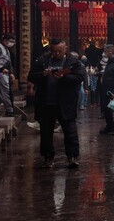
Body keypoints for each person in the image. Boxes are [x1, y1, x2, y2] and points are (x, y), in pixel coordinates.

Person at [27, 39, 85, 169]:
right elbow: (31, 76)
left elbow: (79, 78)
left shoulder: (73, 62)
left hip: (66, 102)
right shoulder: (42, 61)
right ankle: (48, 157)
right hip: (46, 102)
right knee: (46, 132)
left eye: (59, 51)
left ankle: (72, 157)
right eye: (54, 51)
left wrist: (64, 77)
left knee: (70, 131)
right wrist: (43, 74)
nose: (56, 53)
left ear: (65, 49)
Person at [0, 33, 17, 117]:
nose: (12, 43)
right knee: (5, 90)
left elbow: (8, 62)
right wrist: (1, 69)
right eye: (11, 41)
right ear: (5, 40)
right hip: (0, 71)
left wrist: (11, 73)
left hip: (6, 71)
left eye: (13, 41)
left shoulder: (6, 48)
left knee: (4, 91)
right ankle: (9, 109)